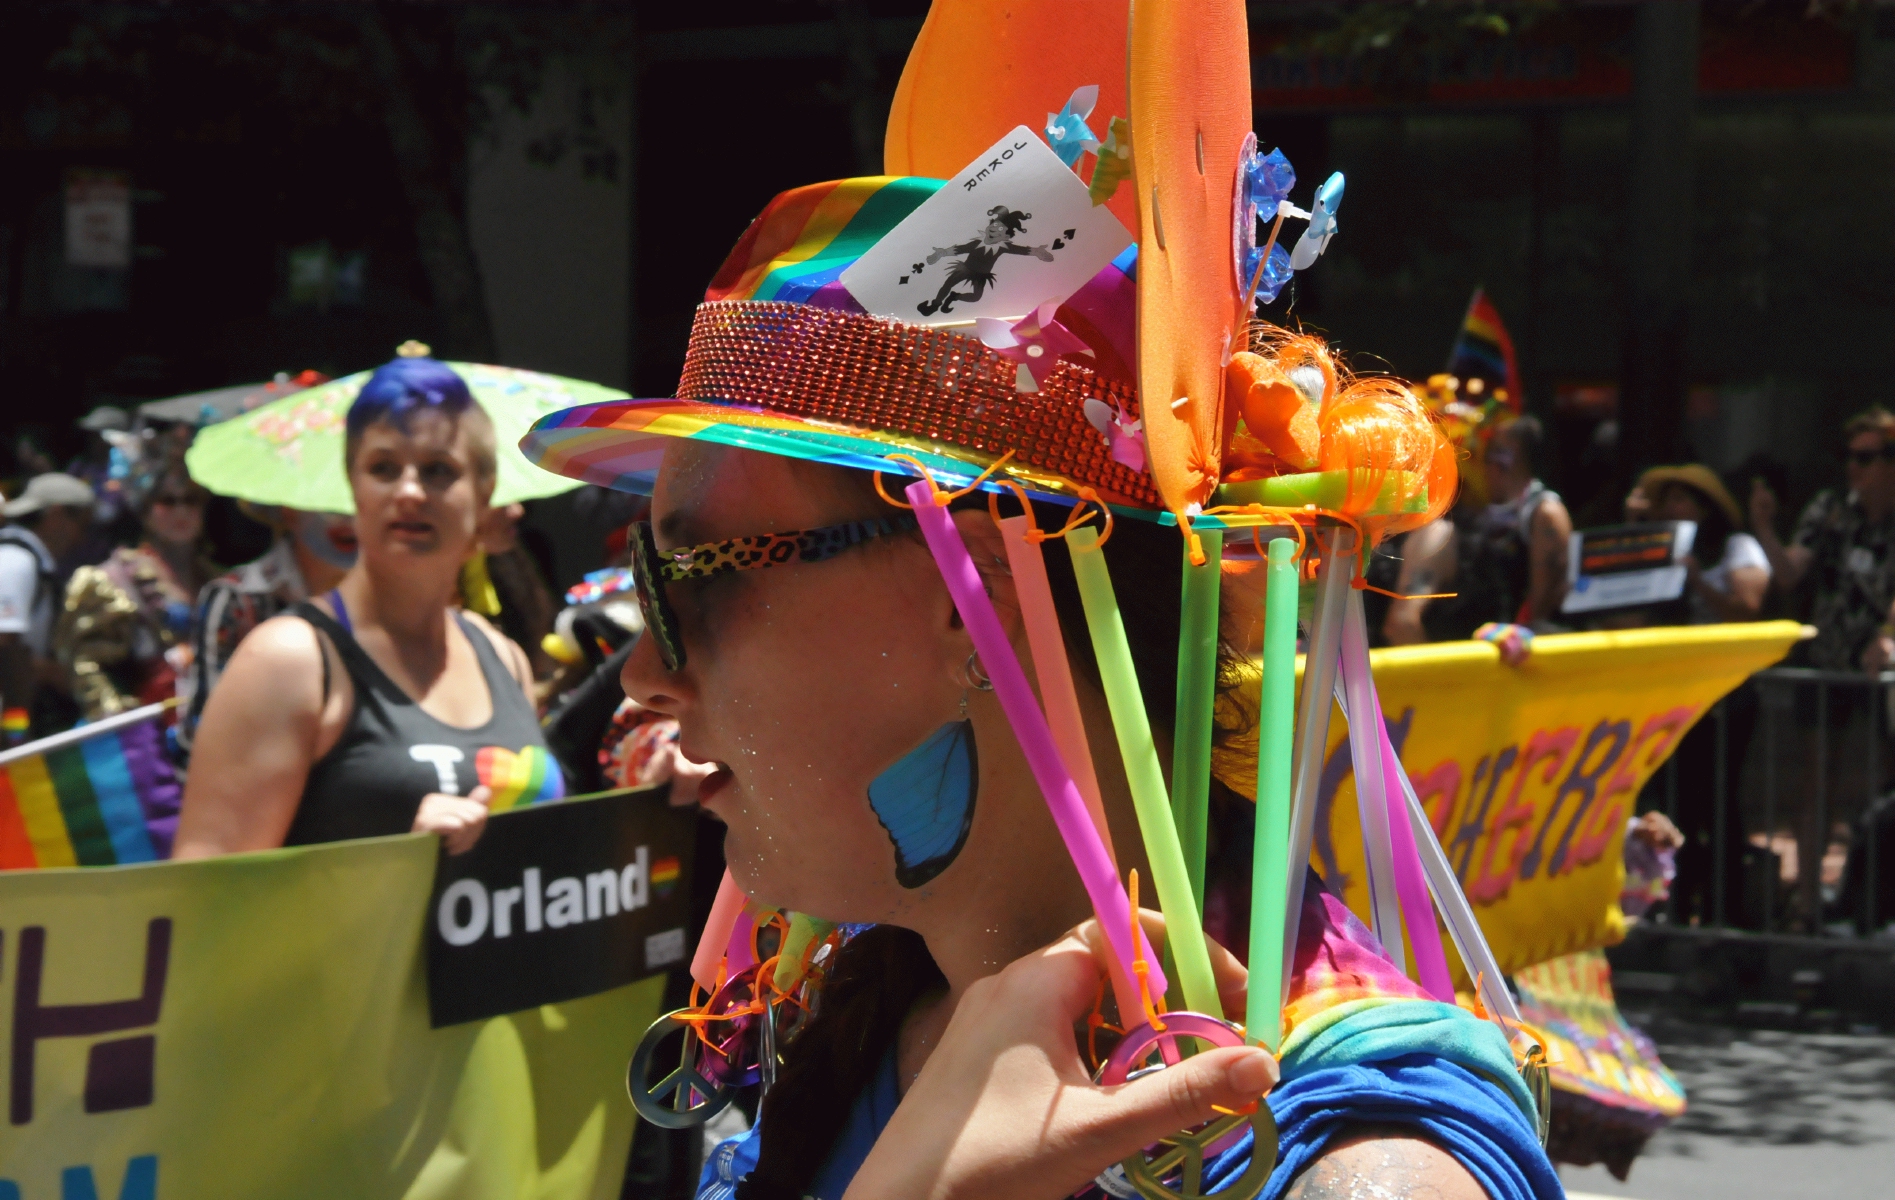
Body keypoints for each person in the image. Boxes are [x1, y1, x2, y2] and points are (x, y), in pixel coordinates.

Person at [523, 175, 1558, 1200]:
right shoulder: (861, 1016)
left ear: (969, 597)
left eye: (690, 577)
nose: (644, 674)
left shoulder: (1361, 1175)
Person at [173, 352, 562, 858]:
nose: (408, 491)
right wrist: (385, 855)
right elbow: (206, 891)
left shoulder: (503, 657)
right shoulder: (288, 661)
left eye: (439, 470)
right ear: (352, 488)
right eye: (382, 468)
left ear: (484, 492)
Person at [177, 506, 357, 756]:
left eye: (356, 504)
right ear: (290, 513)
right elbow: (205, 730)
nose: (348, 519)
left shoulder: (392, 598)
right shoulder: (237, 599)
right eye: (330, 507)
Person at [1386, 415, 1572, 644]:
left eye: (1498, 455)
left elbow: (1539, 608)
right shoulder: (1438, 534)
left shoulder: (1531, 511)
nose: (1493, 467)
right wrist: (1445, 679)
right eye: (1488, 456)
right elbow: (1402, 624)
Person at [58, 457, 218, 720]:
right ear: (144, 512)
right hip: (150, 731)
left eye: (191, 501)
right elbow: (84, 663)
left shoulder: (215, 578)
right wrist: (119, 719)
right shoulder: (114, 578)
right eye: (167, 501)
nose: (181, 512)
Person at [1751, 406, 1895, 673]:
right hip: (1825, 669)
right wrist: (1765, 529)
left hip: (1880, 669)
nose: (1852, 466)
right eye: (1848, 456)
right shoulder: (1830, 507)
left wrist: (1888, 634)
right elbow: (1788, 574)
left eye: (1864, 458)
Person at [0, 473, 95, 743]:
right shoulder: (15, 560)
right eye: (83, 524)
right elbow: (6, 648)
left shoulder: (30, 562)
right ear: (56, 515)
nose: (83, 538)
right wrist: (16, 733)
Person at [1622, 464, 1769, 626]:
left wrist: (1697, 582)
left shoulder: (1738, 546)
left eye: (1678, 499)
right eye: (1665, 501)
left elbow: (1748, 613)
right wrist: (1633, 529)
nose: (1668, 507)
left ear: (1704, 508)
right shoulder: (1661, 551)